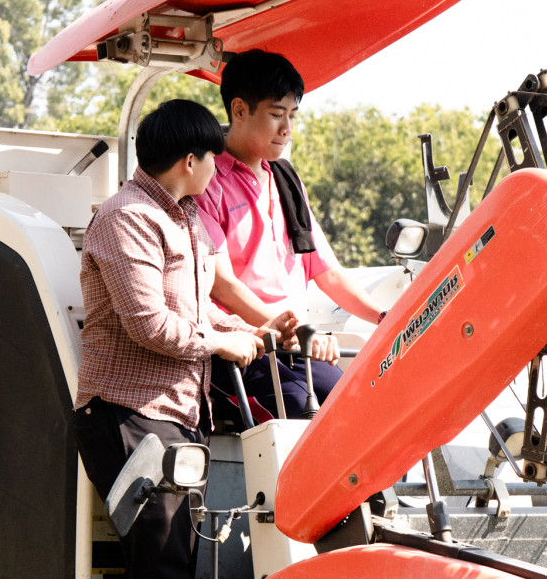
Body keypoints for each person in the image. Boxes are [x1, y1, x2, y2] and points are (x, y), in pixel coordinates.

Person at [73, 99, 270, 579]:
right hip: (128, 413)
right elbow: (149, 324)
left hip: (174, 416)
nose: (217, 168)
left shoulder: (187, 217)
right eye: (213, 157)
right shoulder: (129, 217)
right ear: (189, 161)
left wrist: (250, 331)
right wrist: (220, 344)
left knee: (176, 559)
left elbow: (196, 313)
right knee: (164, 563)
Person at [195, 49, 386, 420]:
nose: (287, 129)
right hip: (241, 347)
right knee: (302, 408)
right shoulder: (207, 180)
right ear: (239, 110)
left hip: (295, 345)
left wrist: (384, 317)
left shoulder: (286, 179)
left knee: (363, 407)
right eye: (276, 114)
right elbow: (221, 284)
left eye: (293, 115)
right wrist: (287, 331)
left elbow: (327, 272)